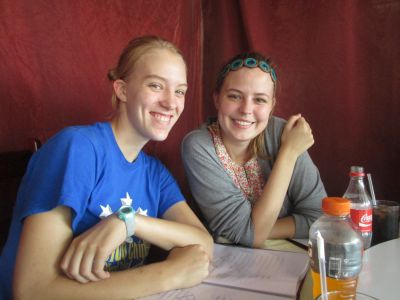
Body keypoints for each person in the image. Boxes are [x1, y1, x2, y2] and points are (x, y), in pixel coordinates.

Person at [0, 36, 213, 300]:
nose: (171, 103)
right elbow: (32, 290)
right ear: (122, 90)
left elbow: (202, 242)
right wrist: (169, 274)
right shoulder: (76, 148)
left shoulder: (155, 173)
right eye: (156, 85)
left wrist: (129, 222)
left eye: (180, 90)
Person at [181, 52, 326, 248]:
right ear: (217, 99)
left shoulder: (286, 134)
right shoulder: (198, 146)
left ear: (272, 105)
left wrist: (250, 231)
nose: (246, 109)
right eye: (234, 96)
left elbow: (319, 218)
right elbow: (252, 237)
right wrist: (289, 153)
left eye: (259, 100)